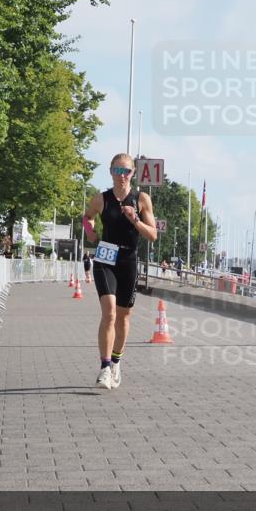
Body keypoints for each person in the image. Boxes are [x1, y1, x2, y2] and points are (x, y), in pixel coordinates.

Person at [83, 153, 157, 389]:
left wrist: (135, 220)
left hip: (128, 259)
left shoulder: (141, 199)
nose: (121, 176)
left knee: (124, 317)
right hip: (105, 257)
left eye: (126, 171)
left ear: (133, 173)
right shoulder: (101, 198)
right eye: (117, 171)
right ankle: (104, 368)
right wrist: (89, 231)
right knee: (110, 312)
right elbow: (87, 218)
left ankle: (116, 362)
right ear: (111, 172)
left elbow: (152, 235)